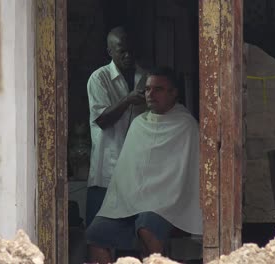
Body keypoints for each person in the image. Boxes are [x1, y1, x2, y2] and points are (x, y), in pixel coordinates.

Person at [86, 67, 203, 263]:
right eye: (148, 89)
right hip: (129, 203)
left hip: (167, 204)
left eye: (158, 89)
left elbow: (186, 175)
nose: (150, 94)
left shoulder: (186, 125)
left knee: (146, 227)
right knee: (95, 234)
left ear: (173, 93)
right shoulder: (139, 123)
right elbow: (127, 173)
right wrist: (128, 199)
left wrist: (156, 198)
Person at [86, 26, 147, 226]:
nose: (128, 55)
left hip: (136, 171)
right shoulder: (99, 78)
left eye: (131, 50)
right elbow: (102, 120)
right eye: (122, 51)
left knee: (129, 237)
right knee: (97, 235)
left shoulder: (145, 77)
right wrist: (127, 100)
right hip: (107, 170)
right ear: (110, 52)